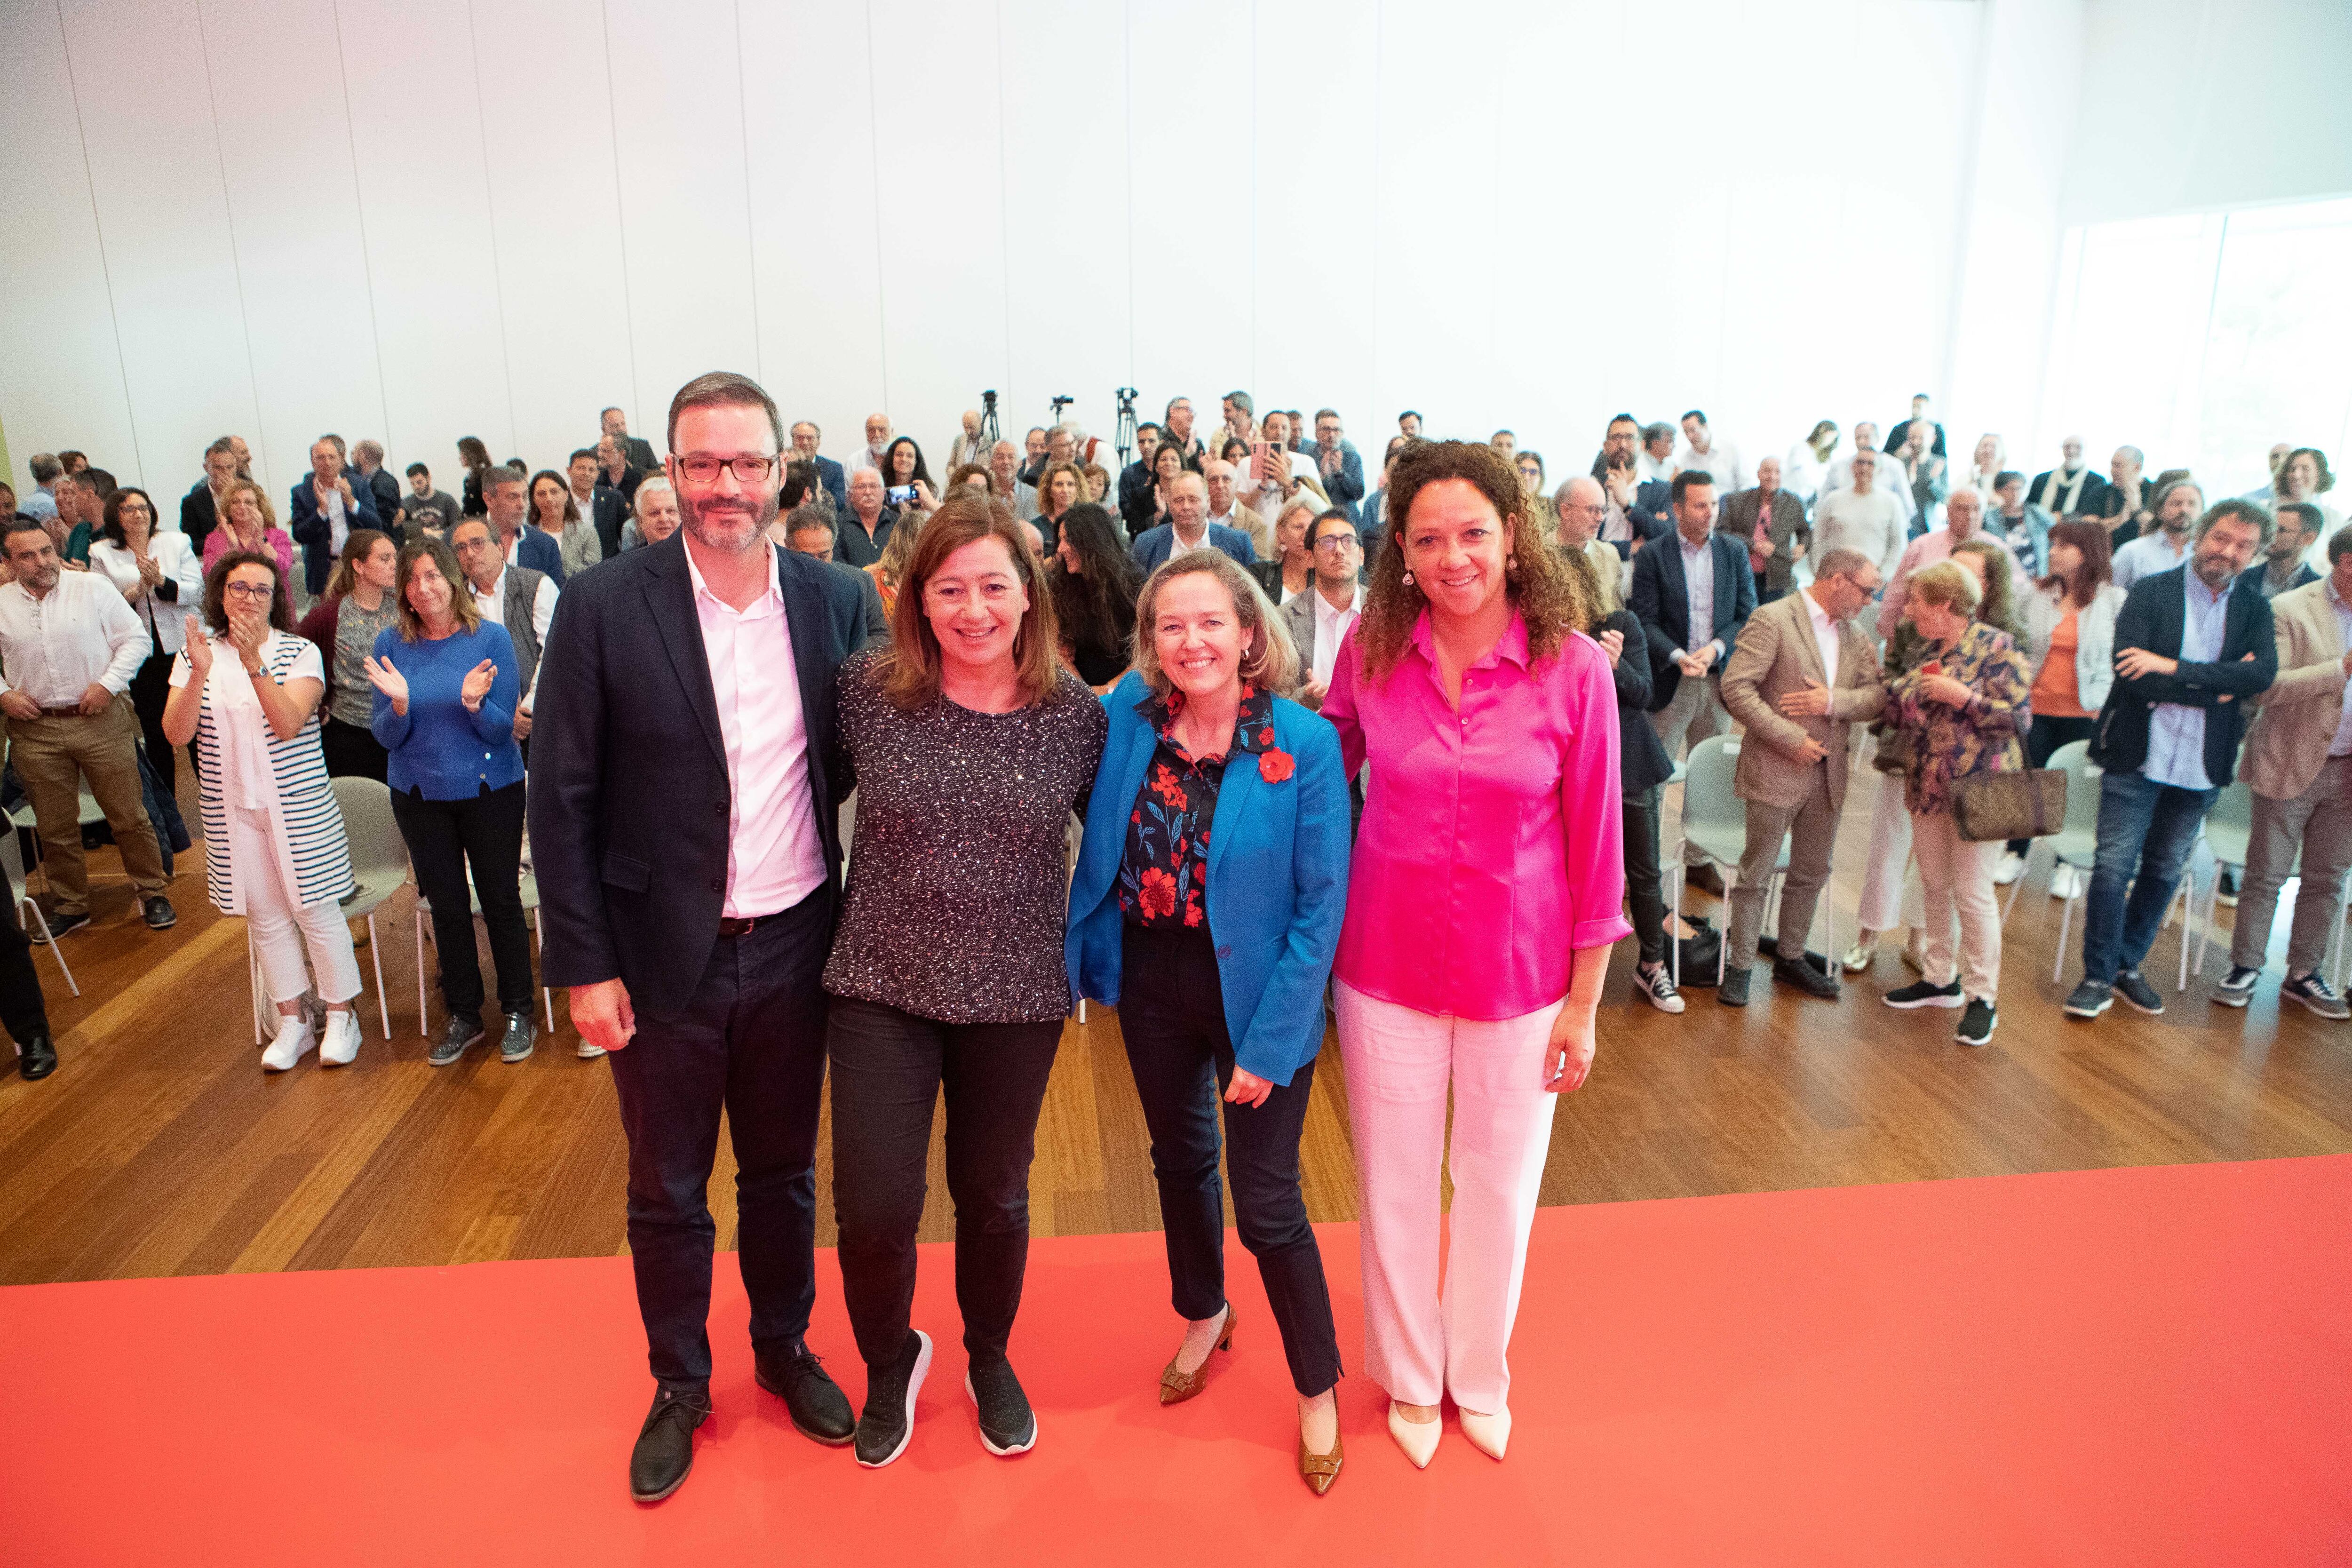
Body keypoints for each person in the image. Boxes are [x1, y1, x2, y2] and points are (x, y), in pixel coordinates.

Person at [532, 373, 870, 1504]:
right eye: (702, 463)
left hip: (795, 945)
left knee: (782, 1175)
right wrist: (581, 962)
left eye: (746, 464)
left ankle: (782, 1346)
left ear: (783, 472)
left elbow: (885, 756)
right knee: (666, 1189)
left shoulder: (835, 599)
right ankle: (680, 1380)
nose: (725, 486)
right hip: (657, 954)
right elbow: (561, 795)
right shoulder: (602, 604)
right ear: (667, 473)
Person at [1320, 440, 1625, 1469]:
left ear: (1513, 538)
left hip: (1522, 976)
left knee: (1497, 1184)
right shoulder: (1367, 648)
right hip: (1386, 968)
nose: (1453, 557)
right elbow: (1316, 772)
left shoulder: (1574, 667)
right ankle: (1410, 1376)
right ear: (1399, 551)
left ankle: (1477, 1373)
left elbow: (1598, 847)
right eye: (1428, 538)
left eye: (1473, 534)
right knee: (1397, 1183)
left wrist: (1584, 1004)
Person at [821, 496, 1104, 1469]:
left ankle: (989, 1353)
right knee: (872, 1208)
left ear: (1029, 596)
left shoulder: (1075, 716)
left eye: (993, 586)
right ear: (914, 597)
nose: (972, 609)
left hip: (1015, 990)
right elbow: (799, 803)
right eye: (950, 588)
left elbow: (1114, 845)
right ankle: (890, 1357)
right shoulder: (866, 690)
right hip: (878, 983)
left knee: (993, 1196)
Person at [1066, 549, 1349, 1494]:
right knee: (1178, 1162)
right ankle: (1204, 1310)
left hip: (1261, 990)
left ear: (1248, 632)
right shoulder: (1125, 720)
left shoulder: (1301, 742)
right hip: (1153, 977)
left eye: (1210, 622)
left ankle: (1316, 1386)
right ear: (1150, 642)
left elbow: (1319, 908)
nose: (1192, 641)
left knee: (1268, 1203)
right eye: (1171, 626)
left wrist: (1272, 1042)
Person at [2066, 501, 2275, 1021]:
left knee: (2164, 869)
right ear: (2200, 536)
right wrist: (2217, 685)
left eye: (2241, 545)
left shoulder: (2254, 608)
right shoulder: (2151, 591)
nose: (2226, 552)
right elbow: (2131, 673)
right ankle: (2095, 975)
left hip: (2201, 764)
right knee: (2113, 868)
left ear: (2255, 555)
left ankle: (2127, 965)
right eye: (2219, 538)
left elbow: (2259, 678)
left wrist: (2173, 667)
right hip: (2136, 753)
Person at [162, 550, 362, 1070]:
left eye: (261, 590)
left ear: (277, 600)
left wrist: (254, 664)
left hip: (296, 806)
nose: (249, 599)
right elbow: (176, 734)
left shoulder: (297, 652)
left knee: (315, 909)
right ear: (220, 595)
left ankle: (342, 1015)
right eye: (238, 588)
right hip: (233, 809)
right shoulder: (193, 656)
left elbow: (289, 723)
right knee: (266, 917)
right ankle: (293, 1018)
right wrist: (202, 672)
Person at [364, 538, 538, 1066]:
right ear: (404, 593)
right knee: (446, 907)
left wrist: (472, 704)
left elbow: (501, 732)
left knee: (500, 901)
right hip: (419, 796)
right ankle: (464, 1014)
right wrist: (399, 705)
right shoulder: (390, 644)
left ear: (452, 581)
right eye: (412, 580)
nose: (424, 587)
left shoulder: (491, 638)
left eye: (432, 575)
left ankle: (517, 1010)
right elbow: (386, 738)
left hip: (491, 791)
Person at [1716, 549, 1888, 1006]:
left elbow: (1876, 697)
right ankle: (1740, 964)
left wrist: (1833, 702)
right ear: (1837, 580)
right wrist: (1787, 738)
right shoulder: (1773, 619)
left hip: (1828, 774)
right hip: (1776, 767)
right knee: (1756, 874)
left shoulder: (1853, 636)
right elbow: (1735, 687)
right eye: (1866, 590)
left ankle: (1790, 957)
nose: (1869, 601)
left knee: (1811, 871)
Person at [1875, 562, 2029, 1045]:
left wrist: (1962, 698)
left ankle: (1983, 997)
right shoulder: (1925, 650)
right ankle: (1939, 979)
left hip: (1980, 789)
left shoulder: (1998, 647)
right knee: (1934, 885)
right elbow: (1897, 708)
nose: (1907, 607)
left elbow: (2017, 719)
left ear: (1944, 604)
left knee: (1972, 892)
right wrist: (1905, 698)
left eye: (1916, 600)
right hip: (1927, 783)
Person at [0, 519, 175, 938]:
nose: (42, 561)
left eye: (46, 550)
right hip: (35, 729)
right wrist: (3, 693)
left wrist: (107, 685)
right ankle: (71, 905)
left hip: (99, 717)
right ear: (8, 563)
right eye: (28, 555)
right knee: (54, 825)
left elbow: (136, 640)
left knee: (129, 816)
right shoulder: (1, 602)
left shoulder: (92, 588)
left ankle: (153, 892)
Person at [2222, 526, 2352, 1015]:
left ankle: (2303, 973)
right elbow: (2265, 687)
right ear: (2345, 563)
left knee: (2327, 879)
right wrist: (2340, 669)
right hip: (2291, 760)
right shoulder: (2289, 609)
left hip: (2348, 772)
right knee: (2265, 875)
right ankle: (2244, 966)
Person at [1630, 470, 1754, 895]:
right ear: (1678, 508)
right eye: (1701, 506)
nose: (1710, 514)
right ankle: (1644, 861)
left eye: (1715, 505)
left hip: (1717, 678)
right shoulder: (1653, 556)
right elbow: (1644, 618)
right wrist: (1680, 656)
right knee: (1658, 773)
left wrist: (1717, 648)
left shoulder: (1735, 553)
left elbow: (1746, 614)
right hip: (1671, 677)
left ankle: (1700, 861)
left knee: (1711, 772)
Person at [2009, 521, 2125, 891]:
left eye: (2064, 545)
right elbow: (2016, 643)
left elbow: (2119, 658)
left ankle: (2068, 862)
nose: (2054, 551)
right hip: (2036, 705)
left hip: (2086, 710)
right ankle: (2015, 851)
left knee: (2073, 786)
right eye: (2053, 544)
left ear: (2088, 552)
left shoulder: (2113, 601)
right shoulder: (2035, 595)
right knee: (2030, 781)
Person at [88, 486, 203, 793]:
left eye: (143, 507)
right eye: (129, 509)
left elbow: (198, 590)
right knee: (155, 729)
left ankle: (213, 798)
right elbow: (99, 605)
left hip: (181, 644)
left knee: (197, 724)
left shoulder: (176, 542)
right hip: (139, 651)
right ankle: (167, 814)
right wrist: (135, 592)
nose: (138, 513)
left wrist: (162, 582)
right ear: (116, 515)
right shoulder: (101, 552)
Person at [295, 530, 402, 781]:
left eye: (395, 558)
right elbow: (298, 661)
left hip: (398, 726)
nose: (394, 565)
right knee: (360, 811)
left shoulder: (403, 609)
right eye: (385, 559)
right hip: (348, 732)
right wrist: (316, 708)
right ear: (359, 566)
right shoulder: (328, 616)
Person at [447, 516, 556, 748]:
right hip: (481, 719)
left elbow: (554, 652)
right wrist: (495, 714)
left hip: (540, 715)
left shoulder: (537, 585)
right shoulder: (455, 601)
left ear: (500, 548)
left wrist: (526, 710)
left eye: (477, 543)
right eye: (461, 548)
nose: (469, 553)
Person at [1879, 488, 2030, 642]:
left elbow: (2021, 591)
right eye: (1963, 509)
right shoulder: (1921, 546)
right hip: (1923, 635)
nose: (1970, 516)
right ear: (1949, 512)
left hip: (1980, 640)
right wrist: (1890, 637)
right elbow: (1897, 594)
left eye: (1976, 509)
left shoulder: (1998, 549)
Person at [1278, 510, 1364, 710]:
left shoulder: (1386, 613)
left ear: (1361, 555)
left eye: (1348, 541)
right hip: (1310, 731)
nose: (1340, 551)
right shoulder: (1284, 619)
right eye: (1328, 542)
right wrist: (1305, 698)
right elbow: (1273, 699)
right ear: (1309, 558)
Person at [1048, 502, 1139, 689]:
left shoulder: (1134, 585)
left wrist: (1109, 689)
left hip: (1128, 686)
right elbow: (1056, 651)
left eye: (1068, 540)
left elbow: (1148, 651)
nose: (1060, 549)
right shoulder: (1058, 586)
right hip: (1075, 689)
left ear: (1091, 542)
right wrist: (1086, 694)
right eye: (1060, 540)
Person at [287, 435, 383, 601]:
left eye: (332, 457)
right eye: (321, 458)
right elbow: (299, 534)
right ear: (313, 462)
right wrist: (322, 511)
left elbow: (376, 525)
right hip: (323, 570)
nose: (327, 462)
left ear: (341, 460)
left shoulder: (358, 485)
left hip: (357, 564)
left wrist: (352, 502)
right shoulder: (301, 492)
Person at [778, 505, 890, 645]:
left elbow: (882, 637)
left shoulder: (861, 582)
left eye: (823, 556)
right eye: (806, 557)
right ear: (788, 547)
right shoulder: (774, 587)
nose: (816, 565)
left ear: (833, 547)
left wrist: (841, 652)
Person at [1813, 448, 1908, 587]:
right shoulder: (1833, 500)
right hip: (1834, 580)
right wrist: (1819, 572)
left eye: (1871, 464)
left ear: (1880, 470)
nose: (1864, 468)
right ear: (1852, 467)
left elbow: (1898, 544)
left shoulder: (1892, 502)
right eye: (1860, 463)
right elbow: (1818, 539)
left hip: (1872, 584)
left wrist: (1883, 576)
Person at [201, 479, 298, 613]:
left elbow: (283, 570)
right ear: (228, 507)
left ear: (260, 507)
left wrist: (261, 542)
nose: (242, 506)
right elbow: (210, 578)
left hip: (274, 607)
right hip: (232, 608)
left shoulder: (278, 535)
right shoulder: (214, 538)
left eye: (249, 502)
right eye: (235, 502)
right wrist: (232, 549)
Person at [1720, 456, 1808, 605]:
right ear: (1759, 474)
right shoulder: (1737, 500)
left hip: (1776, 576)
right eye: (1767, 471)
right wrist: (1753, 545)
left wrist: (1803, 546)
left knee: (1769, 621)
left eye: (1777, 472)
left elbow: (1805, 531)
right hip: (1742, 572)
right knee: (1744, 618)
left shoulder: (1794, 503)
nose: (1772, 477)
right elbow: (1722, 531)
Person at [1133, 472, 1257, 573]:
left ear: (1208, 502)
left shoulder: (1239, 543)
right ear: (1169, 506)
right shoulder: (1146, 544)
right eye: (1179, 500)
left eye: (1193, 500)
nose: (1186, 506)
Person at [2110, 479, 2206, 590]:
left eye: (2192, 504)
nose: (2184, 510)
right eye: (2177, 503)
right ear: (2160, 510)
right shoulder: (2132, 552)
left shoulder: (2204, 557)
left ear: (2202, 512)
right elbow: (2108, 599)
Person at [480, 465, 564, 582]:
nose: (522, 504)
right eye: (513, 497)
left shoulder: (546, 545)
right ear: (489, 500)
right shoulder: (460, 540)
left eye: (525, 496)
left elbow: (557, 597)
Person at [1553, 478, 1622, 615]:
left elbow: (1618, 613)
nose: (1600, 518)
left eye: (1603, 510)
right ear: (1565, 511)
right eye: (1593, 510)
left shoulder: (1609, 555)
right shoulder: (1538, 553)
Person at [528, 467, 598, 582]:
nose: (549, 499)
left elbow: (595, 575)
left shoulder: (587, 533)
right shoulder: (527, 536)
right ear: (534, 500)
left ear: (566, 495)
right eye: (541, 494)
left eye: (554, 492)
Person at [2243, 501, 2321, 599]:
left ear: (2308, 539)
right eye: (2270, 528)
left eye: (2281, 530)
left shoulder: (2320, 591)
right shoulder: (2241, 578)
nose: (2270, 535)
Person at [1986, 470, 2053, 581]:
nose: (2015, 493)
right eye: (2010, 489)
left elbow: (2055, 535)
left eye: (2019, 488)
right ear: (1999, 491)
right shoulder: (1989, 517)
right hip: (2005, 577)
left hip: (2037, 576)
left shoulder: (2037, 513)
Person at [180, 437, 244, 554]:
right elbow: (190, 544)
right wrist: (216, 537)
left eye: (230, 467)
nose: (225, 473)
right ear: (206, 468)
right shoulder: (192, 503)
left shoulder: (249, 494)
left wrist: (233, 494)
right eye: (218, 468)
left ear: (236, 466)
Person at [1251, 494, 1319, 604]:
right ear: (1282, 533)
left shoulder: (1326, 578)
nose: (1306, 535)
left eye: (1312, 528)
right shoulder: (1259, 575)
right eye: (1298, 527)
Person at [1202, 457, 1273, 557]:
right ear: (1205, 485)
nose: (1220, 485)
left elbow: (1258, 569)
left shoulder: (1255, 524)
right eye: (1214, 480)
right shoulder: (1196, 517)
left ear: (1237, 484)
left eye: (1226, 479)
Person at [566, 447, 628, 561]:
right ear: (569, 471)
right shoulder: (562, 501)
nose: (586, 474)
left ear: (597, 474)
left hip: (607, 567)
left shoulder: (613, 499)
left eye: (591, 470)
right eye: (581, 468)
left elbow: (625, 536)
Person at [2028, 435, 2105, 520]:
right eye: (2068, 447)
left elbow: (2093, 517)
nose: (2072, 451)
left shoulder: (2097, 482)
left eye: (2078, 447)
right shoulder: (2041, 479)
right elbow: (2030, 509)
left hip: (2077, 532)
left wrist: (2063, 518)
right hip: (2041, 531)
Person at [2092, 446, 2155, 545]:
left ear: (2137, 468)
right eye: (2112, 465)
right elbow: (2088, 529)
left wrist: (2137, 510)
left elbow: (2159, 532)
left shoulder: (2154, 491)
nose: (2113, 471)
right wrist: (2121, 519)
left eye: (2118, 466)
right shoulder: (2102, 491)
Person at [838, 467, 898, 569]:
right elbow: (838, 567)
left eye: (873, 486)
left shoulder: (898, 523)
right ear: (850, 495)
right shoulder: (837, 524)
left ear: (884, 493)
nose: (868, 492)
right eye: (861, 487)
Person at [1311, 409, 1364, 523]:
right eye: (1327, 430)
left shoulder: (1352, 457)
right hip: (1317, 518)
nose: (1332, 435)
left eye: (1336, 430)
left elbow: (1359, 494)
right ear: (1317, 433)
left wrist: (1340, 473)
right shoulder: (1308, 457)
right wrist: (1322, 478)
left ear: (1342, 434)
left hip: (1348, 519)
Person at [1675, 409, 1746, 492]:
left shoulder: (1729, 450)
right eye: (1686, 432)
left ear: (1705, 426)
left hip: (1733, 502)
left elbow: (1746, 483)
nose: (1690, 436)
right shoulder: (1685, 461)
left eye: (1693, 430)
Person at [787, 421, 849, 512]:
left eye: (810, 438)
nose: (805, 442)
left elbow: (840, 503)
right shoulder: (784, 466)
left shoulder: (834, 469)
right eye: (800, 438)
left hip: (824, 522)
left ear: (819, 442)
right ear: (793, 441)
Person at [1783, 421, 1841, 513]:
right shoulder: (1801, 448)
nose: (1830, 441)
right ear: (1821, 431)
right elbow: (1802, 476)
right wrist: (1819, 485)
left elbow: (1826, 480)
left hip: (1806, 502)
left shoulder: (1826, 459)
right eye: (1830, 436)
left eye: (1833, 439)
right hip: (1788, 498)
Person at [1031, 460, 1085, 556]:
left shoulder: (1087, 525)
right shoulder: (1036, 527)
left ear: (1078, 490)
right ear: (1050, 491)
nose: (1065, 490)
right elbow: (1034, 567)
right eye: (1059, 484)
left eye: (1071, 484)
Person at [619, 475, 682, 552]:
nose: (664, 519)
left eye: (671, 511)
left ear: (683, 516)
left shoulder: (699, 560)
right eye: (655, 513)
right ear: (641, 521)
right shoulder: (625, 563)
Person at [881, 437, 940, 518]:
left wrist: (930, 503)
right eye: (899, 455)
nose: (904, 459)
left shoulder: (929, 490)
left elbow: (944, 519)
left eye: (910, 456)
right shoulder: (881, 489)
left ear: (917, 461)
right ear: (892, 458)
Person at [401, 462, 461, 535]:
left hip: (443, 541)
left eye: (420, 482)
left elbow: (458, 525)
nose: (416, 487)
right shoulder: (406, 503)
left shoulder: (446, 500)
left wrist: (437, 533)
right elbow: (403, 529)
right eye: (412, 483)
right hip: (419, 544)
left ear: (428, 478)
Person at [601, 406, 660, 473]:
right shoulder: (595, 454)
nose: (621, 429)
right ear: (604, 429)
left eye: (623, 424)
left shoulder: (643, 446)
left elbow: (657, 475)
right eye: (615, 426)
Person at [988, 440, 1038, 517]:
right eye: (1000, 457)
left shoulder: (1032, 495)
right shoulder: (983, 493)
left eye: (1011, 457)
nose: (1006, 462)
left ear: (1020, 464)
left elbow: (1031, 528)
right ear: (992, 463)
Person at [596, 433, 646, 507]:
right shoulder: (598, 480)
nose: (600, 454)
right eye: (599, 450)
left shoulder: (640, 478)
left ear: (622, 453)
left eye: (605, 451)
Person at [456, 436, 496, 517]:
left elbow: (475, 509)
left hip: (481, 525)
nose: (459, 458)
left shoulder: (483, 478)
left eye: (461, 453)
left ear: (469, 454)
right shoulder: (472, 478)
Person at [848, 412, 893, 477]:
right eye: (872, 430)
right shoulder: (853, 463)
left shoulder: (901, 459)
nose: (877, 435)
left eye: (882, 430)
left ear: (892, 432)